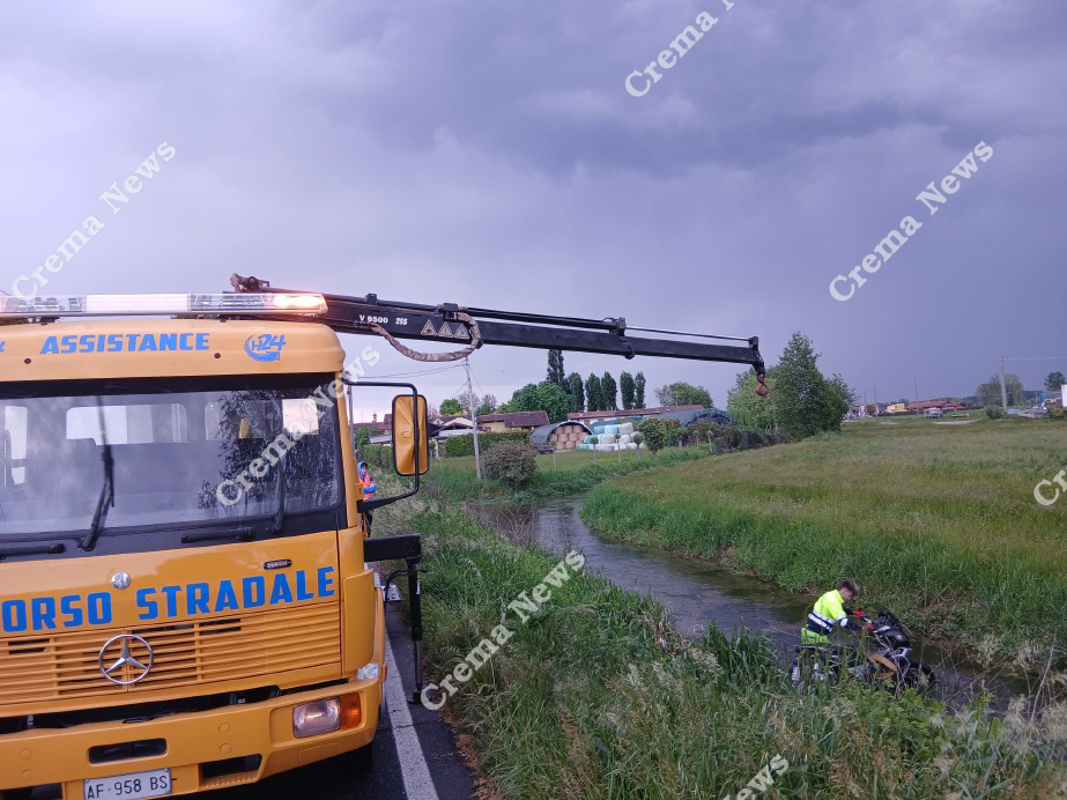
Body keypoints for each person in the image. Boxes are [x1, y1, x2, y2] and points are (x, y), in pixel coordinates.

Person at [801, 579, 865, 645]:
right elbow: (844, 623)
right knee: (838, 653)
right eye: (850, 596)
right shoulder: (833, 602)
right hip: (815, 637)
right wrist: (862, 628)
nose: (850, 599)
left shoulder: (830, 595)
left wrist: (853, 613)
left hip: (809, 633)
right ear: (844, 591)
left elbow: (840, 608)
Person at [357, 461, 377, 530]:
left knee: (369, 523)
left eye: (365, 468)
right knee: (362, 525)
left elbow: (374, 488)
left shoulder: (369, 478)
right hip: (361, 505)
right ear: (359, 469)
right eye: (363, 468)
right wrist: (368, 489)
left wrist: (364, 489)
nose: (364, 470)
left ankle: (368, 536)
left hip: (370, 504)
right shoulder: (355, 479)